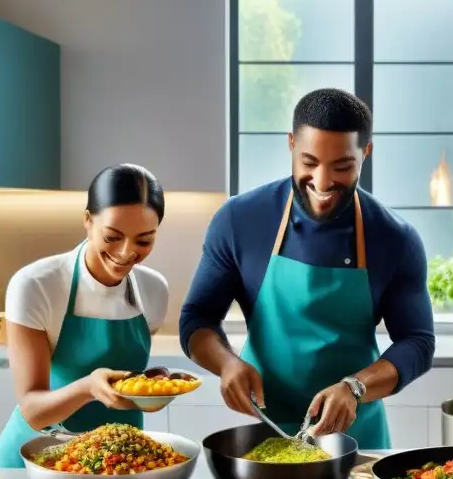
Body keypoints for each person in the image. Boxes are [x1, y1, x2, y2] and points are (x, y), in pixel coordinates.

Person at [179, 88, 435, 449]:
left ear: (366, 153)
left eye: (342, 166)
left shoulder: (395, 238)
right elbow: (197, 317)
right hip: (264, 430)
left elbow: (417, 342)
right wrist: (226, 364)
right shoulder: (239, 220)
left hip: (355, 438)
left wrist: (355, 387)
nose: (323, 181)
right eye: (309, 162)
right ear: (290, 145)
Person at [0, 164, 169, 468]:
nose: (126, 253)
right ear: (87, 220)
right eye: (112, 237)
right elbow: (33, 409)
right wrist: (89, 388)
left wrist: (148, 387)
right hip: (38, 461)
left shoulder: (154, 290)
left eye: (143, 240)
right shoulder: (36, 285)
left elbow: (123, 378)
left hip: (118, 463)